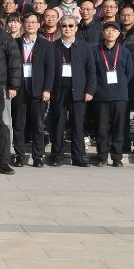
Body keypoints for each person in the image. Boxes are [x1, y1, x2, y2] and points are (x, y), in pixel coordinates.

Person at [48, 17, 98, 167]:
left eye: (71, 26)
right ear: (60, 28)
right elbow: (48, 71)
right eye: (64, 26)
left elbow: (91, 71)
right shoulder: (53, 47)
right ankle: (56, 156)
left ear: (76, 28)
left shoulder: (84, 47)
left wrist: (90, 90)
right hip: (59, 91)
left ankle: (79, 156)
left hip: (79, 91)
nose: (67, 28)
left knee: (78, 125)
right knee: (58, 124)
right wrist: (48, 90)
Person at [93, 22, 134, 168]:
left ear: (119, 34)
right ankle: (101, 157)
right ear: (102, 33)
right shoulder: (95, 51)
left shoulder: (124, 52)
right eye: (107, 30)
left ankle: (117, 157)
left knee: (119, 128)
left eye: (114, 30)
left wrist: (121, 85)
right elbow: (92, 72)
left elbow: (129, 73)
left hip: (120, 96)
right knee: (101, 128)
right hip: (100, 95)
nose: (110, 33)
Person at [15, 13, 56, 168]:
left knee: (38, 125)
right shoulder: (15, 43)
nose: (30, 25)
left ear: (39, 25)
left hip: (38, 89)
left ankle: (37, 157)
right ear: (22, 24)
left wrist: (47, 89)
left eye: (33, 22)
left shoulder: (46, 45)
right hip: (19, 88)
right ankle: (20, 156)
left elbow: (50, 69)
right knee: (19, 125)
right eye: (27, 22)